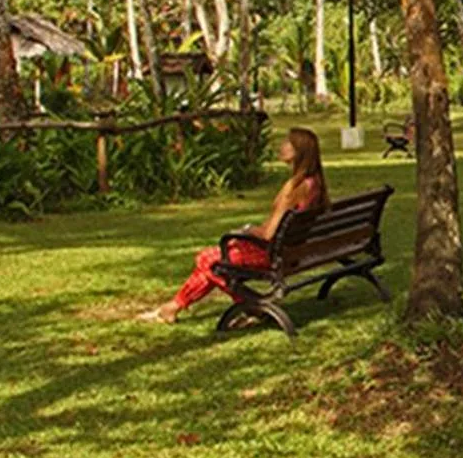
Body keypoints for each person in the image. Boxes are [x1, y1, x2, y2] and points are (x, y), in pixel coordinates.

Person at [140, 127, 330, 323]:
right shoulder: (315, 183)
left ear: (299, 151)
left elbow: (268, 234)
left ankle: (252, 306)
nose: (281, 146)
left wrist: (247, 230)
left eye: (287, 143)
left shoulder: (295, 188)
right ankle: (172, 307)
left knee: (209, 261)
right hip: (292, 251)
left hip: (273, 255)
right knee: (212, 262)